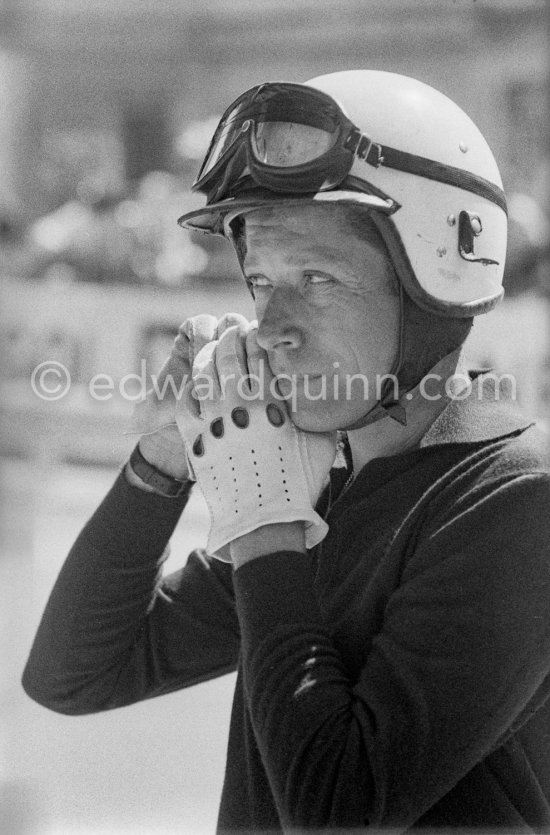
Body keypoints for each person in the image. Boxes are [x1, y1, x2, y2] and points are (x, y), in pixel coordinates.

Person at [23, 71, 550, 832]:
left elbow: (338, 808)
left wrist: (265, 524)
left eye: (316, 278)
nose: (273, 325)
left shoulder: (515, 500)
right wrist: (161, 462)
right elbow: (72, 673)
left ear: (441, 273)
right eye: (261, 281)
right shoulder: (323, 484)